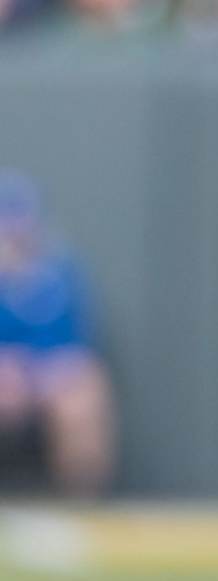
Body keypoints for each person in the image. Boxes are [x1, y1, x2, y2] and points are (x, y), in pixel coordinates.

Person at [0, 170, 115, 498]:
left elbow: (73, 347)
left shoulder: (60, 273)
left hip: (47, 377)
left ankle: (82, 500)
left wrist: (38, 375)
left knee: (84, 393)